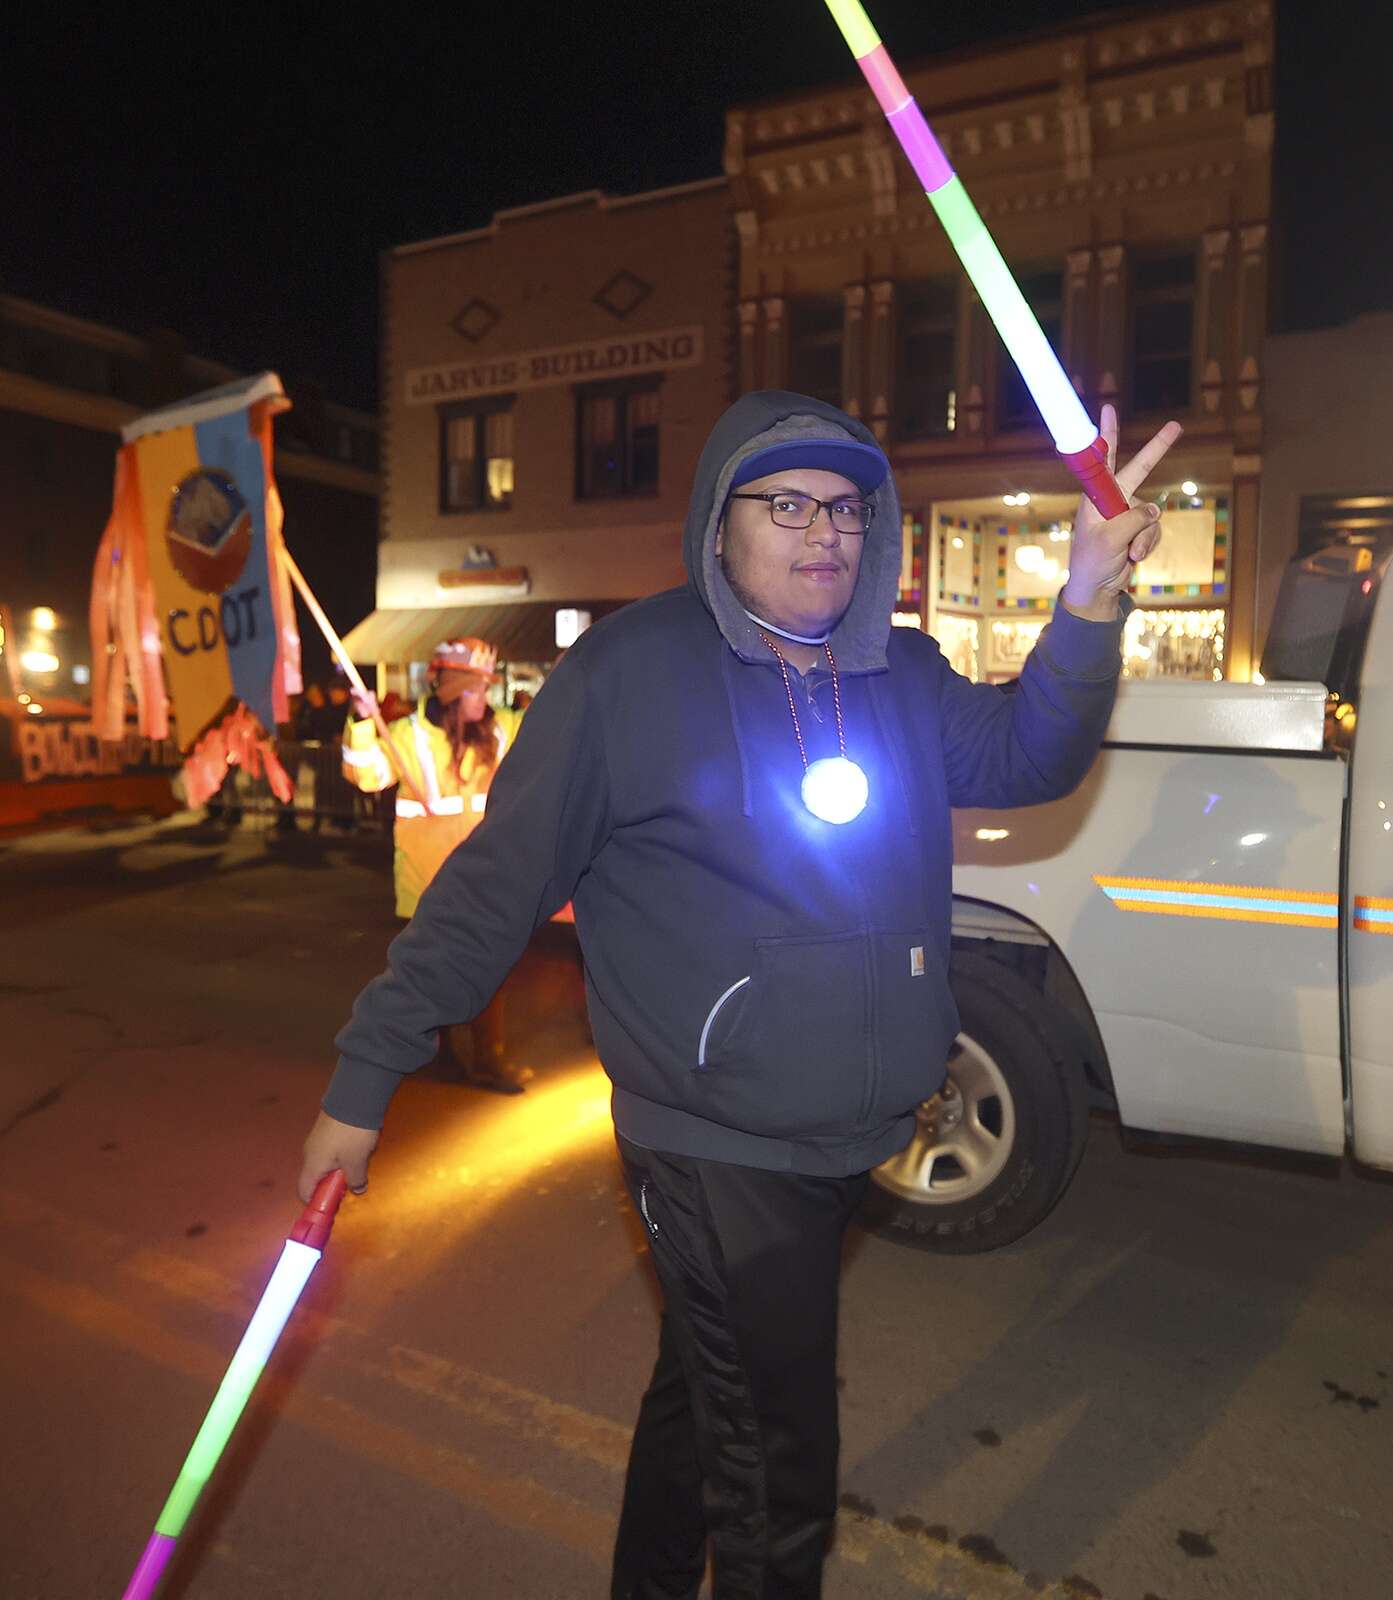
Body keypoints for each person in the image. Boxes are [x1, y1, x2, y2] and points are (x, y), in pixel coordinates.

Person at [300, 389, 1179, 1598]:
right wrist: (365, 1075)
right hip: (713, 1142)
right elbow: (493, 889)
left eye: (846, 508)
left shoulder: (898, 671)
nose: (823, 531)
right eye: (786, 504)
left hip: (847, 1134)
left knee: (705, 1400)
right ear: (720, 523)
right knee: (776, 1478)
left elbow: (1034, 755)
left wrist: (1086, 598)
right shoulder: (630, 674)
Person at [340, 637, 529, 1094]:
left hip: (484, 883)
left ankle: (487, 1061)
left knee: (490, 975)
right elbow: (366, 775)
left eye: (486, 688)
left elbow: (545, 729)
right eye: (473, 689)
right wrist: (364, 724)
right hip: (426, 883)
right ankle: (441, 1058)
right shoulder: (405, 735)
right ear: (448, 691)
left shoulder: (500, 729)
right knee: (432, 979)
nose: (483, 699)